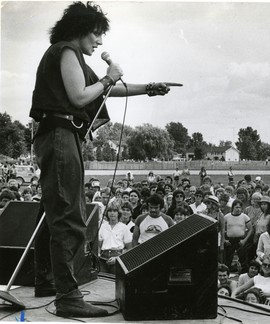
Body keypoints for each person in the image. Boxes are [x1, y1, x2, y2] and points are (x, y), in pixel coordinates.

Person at [29, 1, 181, 318]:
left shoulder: (67, 55)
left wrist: (148, 89)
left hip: (60, 136)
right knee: (69, 216)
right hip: (59, 136)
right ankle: (67, 297)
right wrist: (109, 77)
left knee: (59, 211)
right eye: (97, 34)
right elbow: (80, 96)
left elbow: (103, 91)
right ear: (80, 30)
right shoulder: (66, 51)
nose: (99, 42)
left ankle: (49, 283)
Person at [98, 202, 132, 274]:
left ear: (118, 213)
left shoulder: (124, 228)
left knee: (114, 281)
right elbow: (99, 245)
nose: (112, 213)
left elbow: (129, 248)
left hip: (117, 258)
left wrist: (117, 258)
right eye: (110, 211)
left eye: (114, 211)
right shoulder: (102, 226)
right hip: (103, 258)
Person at [223, 199, 252, 273]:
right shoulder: (227, 217)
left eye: (240, 207)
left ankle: (243, 273)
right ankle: (226, 274)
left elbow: (251, 229)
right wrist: (224, 240)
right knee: (228, 259)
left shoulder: (245, 217)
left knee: (243, 258)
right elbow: (221, 229)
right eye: (236, 207)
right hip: (230, 240)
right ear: (233, 207)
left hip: (240, 240)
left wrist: (245, 240)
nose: (238, 209)